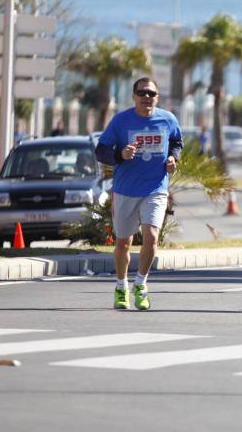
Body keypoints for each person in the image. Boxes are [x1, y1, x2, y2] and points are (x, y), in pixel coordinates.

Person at [95, 77, 182, 310]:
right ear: (133, 96)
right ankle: (121, 285)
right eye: (142, 93)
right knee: (124, 242)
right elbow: (101, 151)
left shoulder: (168, 119)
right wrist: (119, 155)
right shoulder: (121, 121)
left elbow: (176, 141)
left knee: (152, 237)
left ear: (157, 97)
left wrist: (174, 157)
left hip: (156, 188)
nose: (147, 97)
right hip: (126, 190)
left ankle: (141, 284)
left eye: (151, 94)